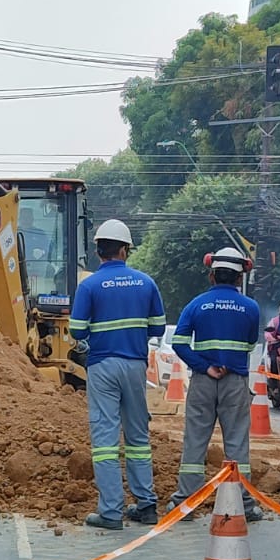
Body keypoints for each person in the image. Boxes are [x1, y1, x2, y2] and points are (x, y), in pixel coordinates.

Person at [68, 219, 166, 529]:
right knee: (138, 436)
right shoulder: (146, 283)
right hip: (135, 365)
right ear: (124, 250)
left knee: (105, 441)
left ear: (98, 251)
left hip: (102, 366)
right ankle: (146, 506)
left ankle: (111, 512)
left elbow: (76, 330)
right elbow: (158, 328)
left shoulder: (89, 286)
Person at [169, 246, 264, 522]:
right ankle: (242, 505)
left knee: (195, 441)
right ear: (239, 277)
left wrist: (204, 366)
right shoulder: (250, 307)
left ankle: (185, 504)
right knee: (237, 444)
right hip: (235, 382)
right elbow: (250, 344)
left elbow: (178, 343)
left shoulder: (196, 304)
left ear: (211, 275)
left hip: (203, 381)